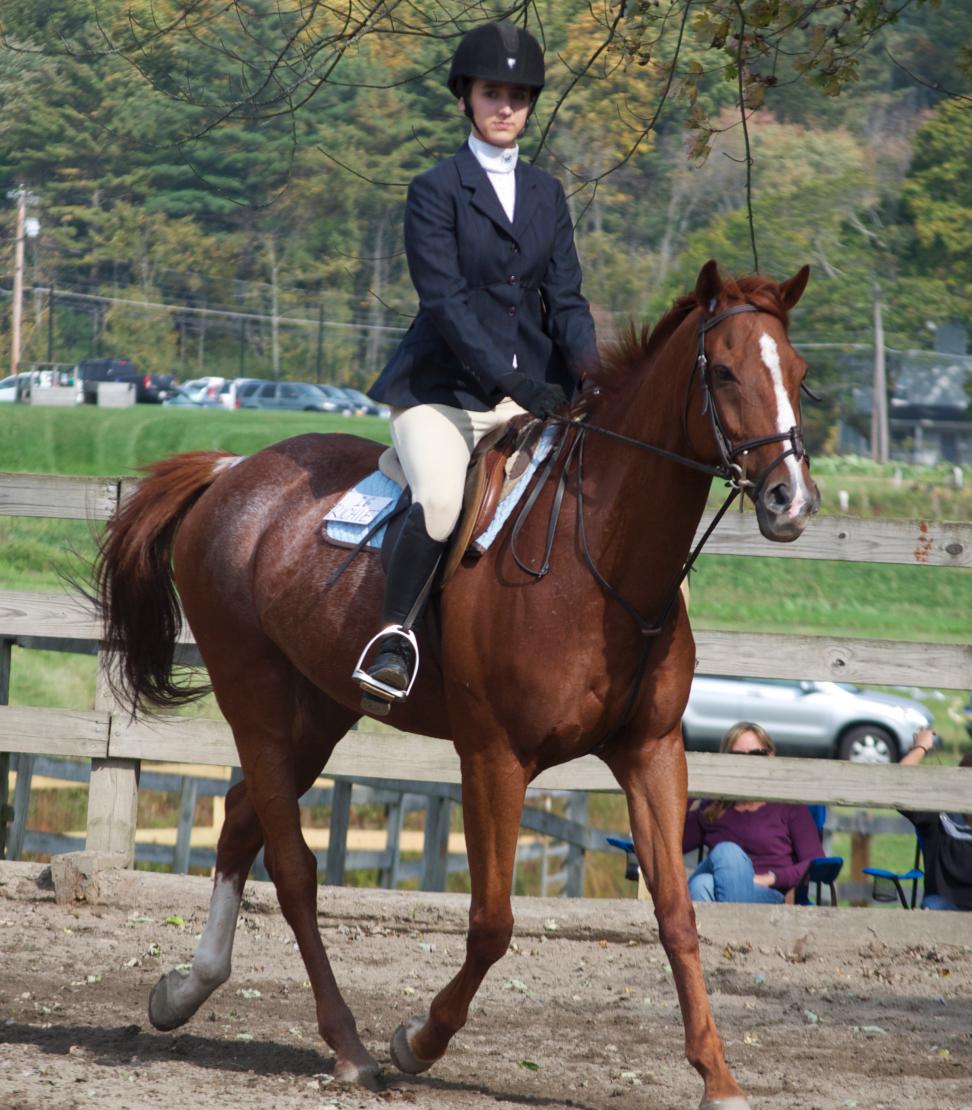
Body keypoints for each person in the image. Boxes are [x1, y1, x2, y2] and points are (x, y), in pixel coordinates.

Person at [353, 20, 600, 706]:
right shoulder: (435, 190)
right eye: (493, 93)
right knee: (438, 501)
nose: (506, 108)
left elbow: (568, 300)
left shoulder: (548, 194)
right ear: (466, 98)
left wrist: (592, 373)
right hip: (445, 396)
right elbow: (447, 302)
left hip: (536, 397)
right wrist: (509, 380)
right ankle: (394, 638)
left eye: (519, 97)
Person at [683, 722, 825, 904]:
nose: (747, 762)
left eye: (756, 754)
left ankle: (724, 930)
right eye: (738, 755)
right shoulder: (713, 807)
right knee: (719, 862)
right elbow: (675, 843)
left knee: (704, 882)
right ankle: (736, 930)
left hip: (768, 894)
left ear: (770, 757)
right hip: (720, 887)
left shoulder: (789, 806)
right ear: (726, 760)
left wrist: (772, 878)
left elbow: (815, 861)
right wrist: (693, 790)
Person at [897, 728, 972, 911]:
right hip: (944, 913)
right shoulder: (939, 819)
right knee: (934, 905)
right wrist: (921, 747)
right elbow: (897, 782)